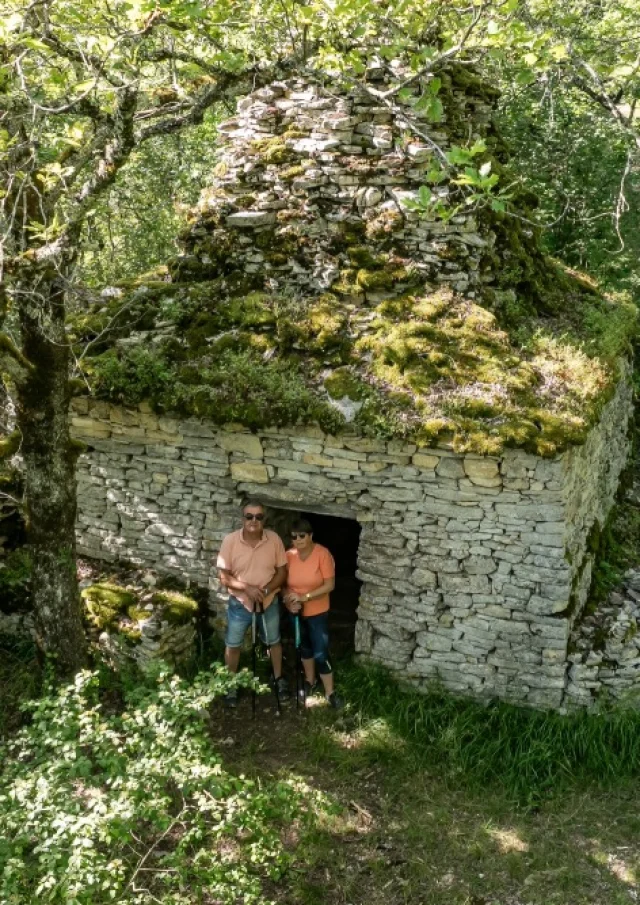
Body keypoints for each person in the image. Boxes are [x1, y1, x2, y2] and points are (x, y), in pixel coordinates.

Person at [217, 500, 288, 707]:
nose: (254, 521)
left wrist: (265, 590)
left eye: (258, 517)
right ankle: (230, 683)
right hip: (240, 603)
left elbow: (282, 571)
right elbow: (224, 577)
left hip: (268, 601)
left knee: (274, 641)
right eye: (249, 516)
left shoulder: (273, 539)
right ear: (242, 519)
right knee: (233, 644)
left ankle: (278, 678)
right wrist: (247, 588)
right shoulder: (230, 541)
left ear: (264, 519)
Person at [283, 518, 343, 709]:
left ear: (310, 535)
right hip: (295, 611)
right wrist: (288, 600)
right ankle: (310, 681)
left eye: (302, 535)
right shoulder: (289, 555)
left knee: (320, 651)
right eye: (294, 537)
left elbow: (329, 585)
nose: (298, 540)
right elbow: (282, 584)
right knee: (304, 647)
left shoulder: (322, 554)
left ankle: (330, 692)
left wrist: (305, 597)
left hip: (317, 612)